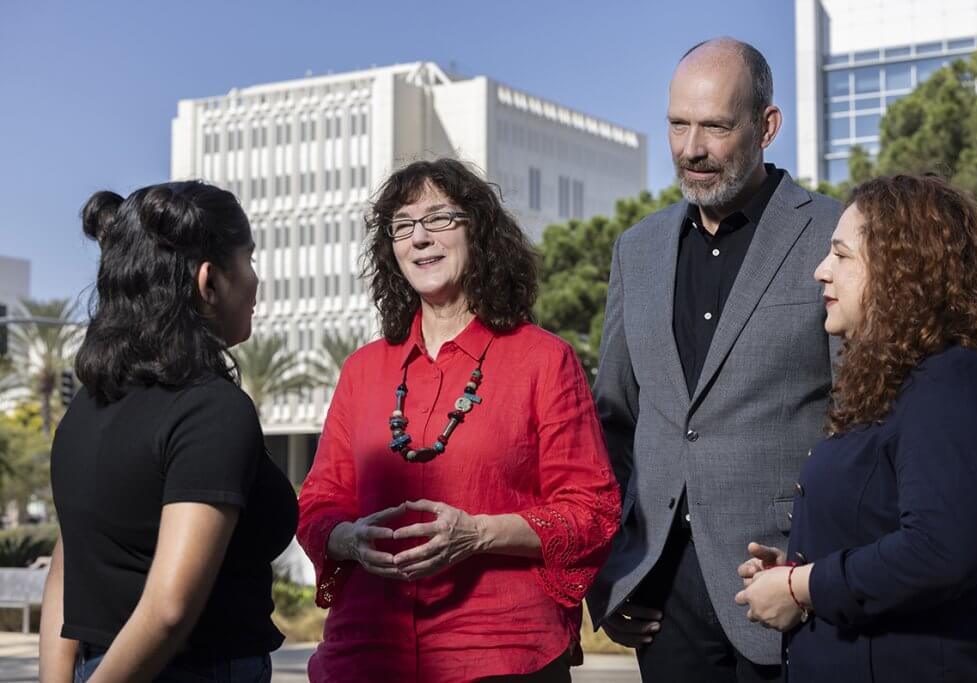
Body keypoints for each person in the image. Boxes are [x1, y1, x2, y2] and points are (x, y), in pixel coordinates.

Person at [297, 157, 620, 682]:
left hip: (504, 654)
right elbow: (317, 503)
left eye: (440, 218)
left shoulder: (545, 360)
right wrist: (348, 538)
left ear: (480, 232)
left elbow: (592, 512)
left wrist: (478, 533)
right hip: (366, 654)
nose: (419, 237)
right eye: (402, 226)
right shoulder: (361, 370)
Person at [586, 37, 842, 682]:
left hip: (789, 586)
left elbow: (863, 415)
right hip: (660, 596)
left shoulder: (834, 234)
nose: (691, 148)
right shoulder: (636, 250)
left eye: (716, 127)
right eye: (677, 123)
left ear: (767, 126)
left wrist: (819, 575)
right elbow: (611, 422)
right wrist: (612, 576)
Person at [736, 175, 977, 681]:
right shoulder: (905, 384)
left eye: (841, 256)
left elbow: (938, 551)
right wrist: (799, 566)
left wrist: (802, 586)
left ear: (901, 271)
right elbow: (887, 524)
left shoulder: (956, 384)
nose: (821, 272)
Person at [39, 182, 298, 683]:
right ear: (209, 282)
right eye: (249, 259)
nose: (256, 281)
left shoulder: (87, 407)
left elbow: (68, 564)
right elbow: (169, 608)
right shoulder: (213, 411)